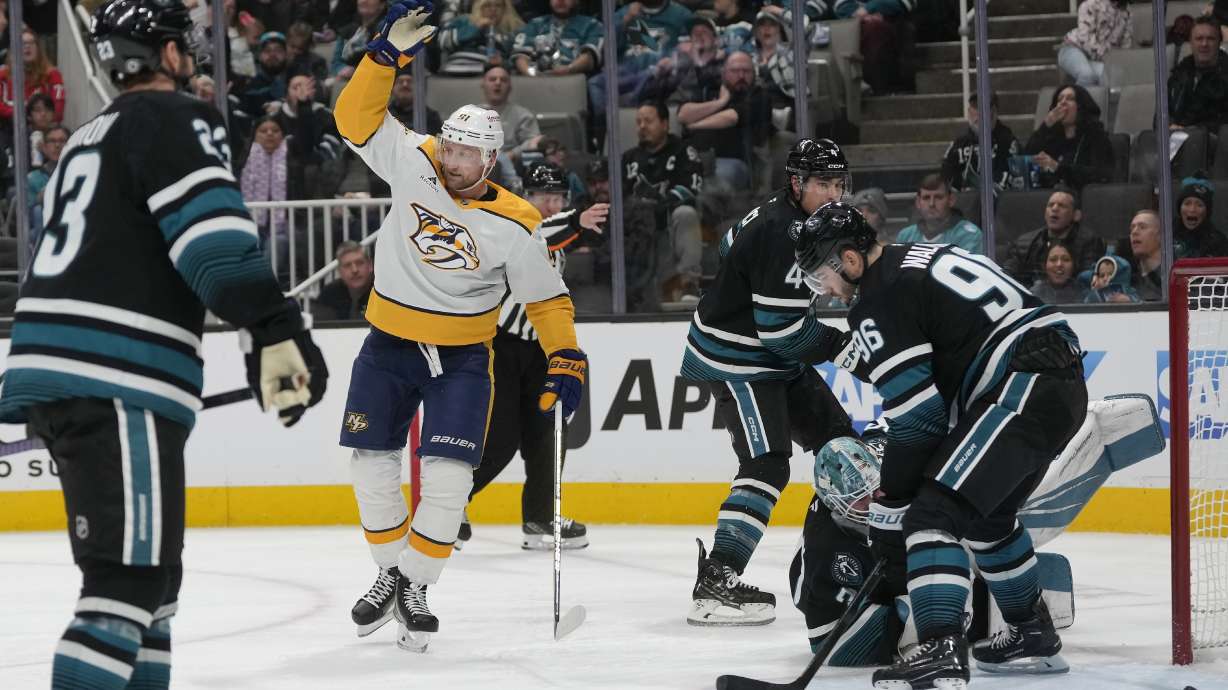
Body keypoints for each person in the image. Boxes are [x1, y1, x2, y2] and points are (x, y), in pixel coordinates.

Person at [0, 1, 328, 687]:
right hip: (118, 376)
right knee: (124, 589)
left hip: (69, 373)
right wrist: (277, 327)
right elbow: (215, 250)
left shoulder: (88, 137)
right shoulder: (176, 118)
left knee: (153, 595)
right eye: (182, 46)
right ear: (167, 55)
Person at [333, 0, 587, 652]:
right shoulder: (414, 158)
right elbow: (353, 119)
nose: (451, 159)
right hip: (389, 343)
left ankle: (415, 583)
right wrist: (383, 58)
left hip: (463, 359)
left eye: (467, 153)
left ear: (491, 160)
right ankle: (393, 574)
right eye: (449, 144)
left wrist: (566, 359)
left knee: (447, 481)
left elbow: (547, 301)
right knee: (371, 465)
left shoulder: (519, 222)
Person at [795, 202, 1087, 688]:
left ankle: (939, 647)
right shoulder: (920, 257)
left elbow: (919, 418)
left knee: (932, 515)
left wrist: (892, 504)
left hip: (1023, 385)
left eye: (820, 276)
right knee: (987, 519)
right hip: (1053, 384)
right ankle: (1032, 630)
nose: (823, 290)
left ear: (848, 260)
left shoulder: (877, 297)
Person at [789, 397, 1162, 664]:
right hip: (850, 625)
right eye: (861, 501)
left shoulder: (878, 452)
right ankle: (1006, 603)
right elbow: (828, 637)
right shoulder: (828, 550)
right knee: (934, 600)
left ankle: (1006, 593)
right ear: (835, 504)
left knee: (986, 513)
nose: (874, 502)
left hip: (900, 558)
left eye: (876, 490)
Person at [678, 138, 858, 626]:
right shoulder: (782, 231)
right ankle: (716, 581)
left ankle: (857, 562)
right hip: (737, 358)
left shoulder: (790, 220)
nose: (834, 194)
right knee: (767, 463)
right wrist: (846, 349)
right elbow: (781, 334)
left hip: (770, 353)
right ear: (797, 183)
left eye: (839, 183)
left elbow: (730, 251)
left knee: (842, 446)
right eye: (823, 184)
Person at [462, 161, 607, 550]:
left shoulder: (552, 232)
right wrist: (577, 220)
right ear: (526, 196)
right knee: (500, 439)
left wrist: (572, 223)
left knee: (548, 435)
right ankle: (448, 506)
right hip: (503, 348)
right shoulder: (513, 223)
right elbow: (543, 234)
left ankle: (541, 519)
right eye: (544, 197)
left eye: (558, 197)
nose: (550, 204)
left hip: (539, 349)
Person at [622, 100, 703, 308]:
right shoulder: (627, 158)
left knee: (686, 213)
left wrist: (658, 206)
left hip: (670, 219)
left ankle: (689, 283)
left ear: (665, 124)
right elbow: (619, 199)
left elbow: (691, 189)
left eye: (648, 121)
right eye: (638, 122)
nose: (642, 126)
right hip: (638, 227)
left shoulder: (685, 151)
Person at [678, 51, 773, 192]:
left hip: (731, 161)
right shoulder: (708, 90)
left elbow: (731, 118)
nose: (741, 76)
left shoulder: (759, 95)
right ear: (724, 73)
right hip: (691, 157)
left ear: (754, 74)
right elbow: (683, 115)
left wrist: (694, 125)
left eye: (746, 71)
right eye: (735, 71)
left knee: (710, 186)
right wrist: (721, 102)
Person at [1000, 186, 1105, 285]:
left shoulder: (1090, 242)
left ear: (1076, 215)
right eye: (1050, 205)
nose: (1054, 209)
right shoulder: (1024, 243)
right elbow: (1007, 277)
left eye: (1062, 206)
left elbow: (1089, 280)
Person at [1024, 84, 1114, 190]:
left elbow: (1101, 175)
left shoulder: (1096, 136)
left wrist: (1058, 168)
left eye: (1070, 99)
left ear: (1081, 107)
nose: (1063, 102)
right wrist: (1046, 126)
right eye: (1059, 99)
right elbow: (1026, 159)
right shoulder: (1050, 137)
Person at [479, 63, 540, 192]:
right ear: (483, 85)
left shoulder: (523, 115)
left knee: (499, 156)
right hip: (477, 162)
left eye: (503, 80)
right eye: (492, 79)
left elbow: (534, 142)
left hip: (514, 163)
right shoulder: (472, 113)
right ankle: (516, 186)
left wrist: (513, 154)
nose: (498, 83)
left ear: (510, 87)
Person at [941, 91, 1020, 192]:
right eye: (975, 107)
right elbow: (945, 177)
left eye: (984, 108)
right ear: (969, 111)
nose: (979, 114)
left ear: (995, 112)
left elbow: (1014, 177)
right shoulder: (959, 144)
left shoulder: (1008, 141)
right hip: (964, 203)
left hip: (997, 202)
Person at [895, 174, 984, 254]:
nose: (931, 204)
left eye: (938, 197)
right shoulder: (905, 236)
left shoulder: (968, 235)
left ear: (951, 200)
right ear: (918, 202)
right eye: (926, 198)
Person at [511, 0, 601, 76]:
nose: (560, 0)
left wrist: (569, 69)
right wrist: (532, 75)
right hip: (536, 81)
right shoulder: (535, 25)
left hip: (574, 80)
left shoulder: (591, 25)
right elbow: (520, 57)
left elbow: (589, 58)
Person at [1057, 0, 1132, 87]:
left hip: (1100, 59)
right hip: (1074, 49)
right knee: (1087, 75)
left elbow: (1125, 44)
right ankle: (1075, 99)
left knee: (1110, 78)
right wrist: (1106, 58)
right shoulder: (1090, 5)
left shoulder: (1127, 13)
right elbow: (1085, 39)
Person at [438, 0, 524, 75]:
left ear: (505, 9)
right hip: (459, 71)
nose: (493, 10)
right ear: (478, 7)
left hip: (495, 75)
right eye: (487, 5)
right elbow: (443, 42)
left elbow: (519, 60)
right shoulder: (463, 21)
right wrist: (475, 27)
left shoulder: (514, 30)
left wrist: (502, 62)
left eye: (498, 5)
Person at [0, 29, 66, 124]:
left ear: (38, 48)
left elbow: (58, 110)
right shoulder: (2, 75)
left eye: (32, 43)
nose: (27, 46)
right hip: (9, 128)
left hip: (43, 129)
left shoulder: (52, 75)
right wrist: (29, 115)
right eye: (22, 43)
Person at [312, 241, 375, 320]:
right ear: (339, 271)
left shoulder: (382, 291)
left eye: (359, 263)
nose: (354, 270)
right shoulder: (329, 294)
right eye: (347, 265)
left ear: (370, 266)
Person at [1174, 175, 1228, 259]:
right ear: (1179, 208)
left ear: (1207, 211)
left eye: (1199, 205)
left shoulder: (1218, 242)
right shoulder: (1168, 235)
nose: (1192, 210)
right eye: (1187, 203)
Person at [238, 31, 291, 116]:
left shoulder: (295, 77)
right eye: (267, 51)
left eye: (278, 50)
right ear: (259, 56)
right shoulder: (250, 83)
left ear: (286, 54)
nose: (272, 54)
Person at [1122, 209, 1163, 301]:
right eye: (1132, 228)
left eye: (1142, 227)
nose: (1134, 232)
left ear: (1160, 235)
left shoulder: (1174, 279)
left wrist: (1132, 301)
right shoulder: (1128, 279)